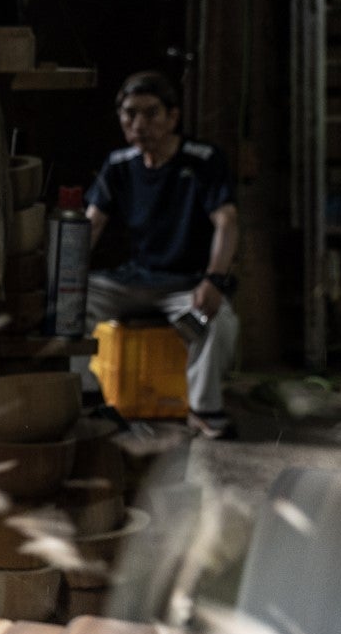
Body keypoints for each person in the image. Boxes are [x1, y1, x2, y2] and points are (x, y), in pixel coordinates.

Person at [84, 71, 240, 439]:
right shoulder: (119, 164)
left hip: (186, 284)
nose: (139, 124)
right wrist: (65, 280)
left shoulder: (204, 160)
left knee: (219, 322)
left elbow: (227, 222)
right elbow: (91, 226)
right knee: (68, 305)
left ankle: (203, 411)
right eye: (129, 114)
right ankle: (88, 401)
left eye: (151, 114)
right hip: (134, 280)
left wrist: (214, 279)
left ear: (173, 117)